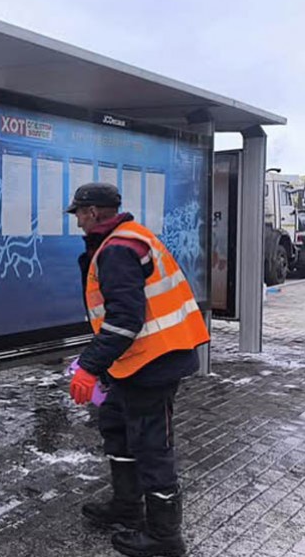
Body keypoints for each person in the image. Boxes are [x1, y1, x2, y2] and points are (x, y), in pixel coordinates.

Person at [66, 183, 209, 557]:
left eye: (79, 213)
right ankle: (127, 505)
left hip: (154, 362)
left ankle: (165, 536)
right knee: (116, 425)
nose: (77, 221)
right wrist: (101, 363)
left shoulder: (117, 250)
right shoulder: (126, 239)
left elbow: (125, 319)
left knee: (151, 445)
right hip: (135, 361)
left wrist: (89, 366)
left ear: (93, 212)